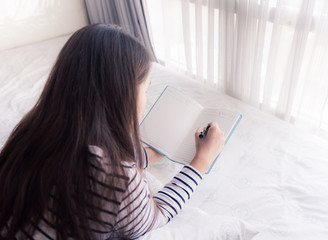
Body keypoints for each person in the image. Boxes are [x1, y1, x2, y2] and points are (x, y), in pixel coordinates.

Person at [0, 24, 225, 240]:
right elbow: (155, 217)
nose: (145, 99)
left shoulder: (32, 129)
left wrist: (149, 155)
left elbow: (81, 158)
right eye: (145, 89)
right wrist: (201, 161)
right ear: (122, 97)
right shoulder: (118, 177)